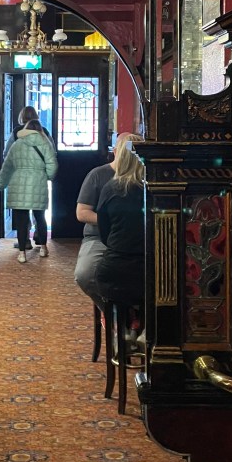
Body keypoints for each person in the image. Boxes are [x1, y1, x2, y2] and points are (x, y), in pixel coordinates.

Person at [74, 132, 141, 309]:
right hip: (98, 237)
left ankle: (135, 313)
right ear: (116, 151)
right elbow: (82, 213)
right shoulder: (98, 175)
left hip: (133, 238)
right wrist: (114, 221)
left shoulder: (143, 177)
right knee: (85, 274)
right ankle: (112, 312)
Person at [94, 136, 146, 342]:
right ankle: (146, 330)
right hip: (147, 271)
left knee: (111, 287)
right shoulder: (154, 190)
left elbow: (104, 234)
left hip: (114, 271)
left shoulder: (110, 188)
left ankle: (121, 329)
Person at [0, 119, 58, 263]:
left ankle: (22, 253)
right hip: (39, 182)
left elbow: (7, 166)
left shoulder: (17, 144)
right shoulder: (45, 143)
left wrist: (0, 185)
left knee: (21, 221)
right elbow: (52, 164)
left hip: (18, 183)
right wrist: (47, 176)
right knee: (40, 217)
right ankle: (43, 248)